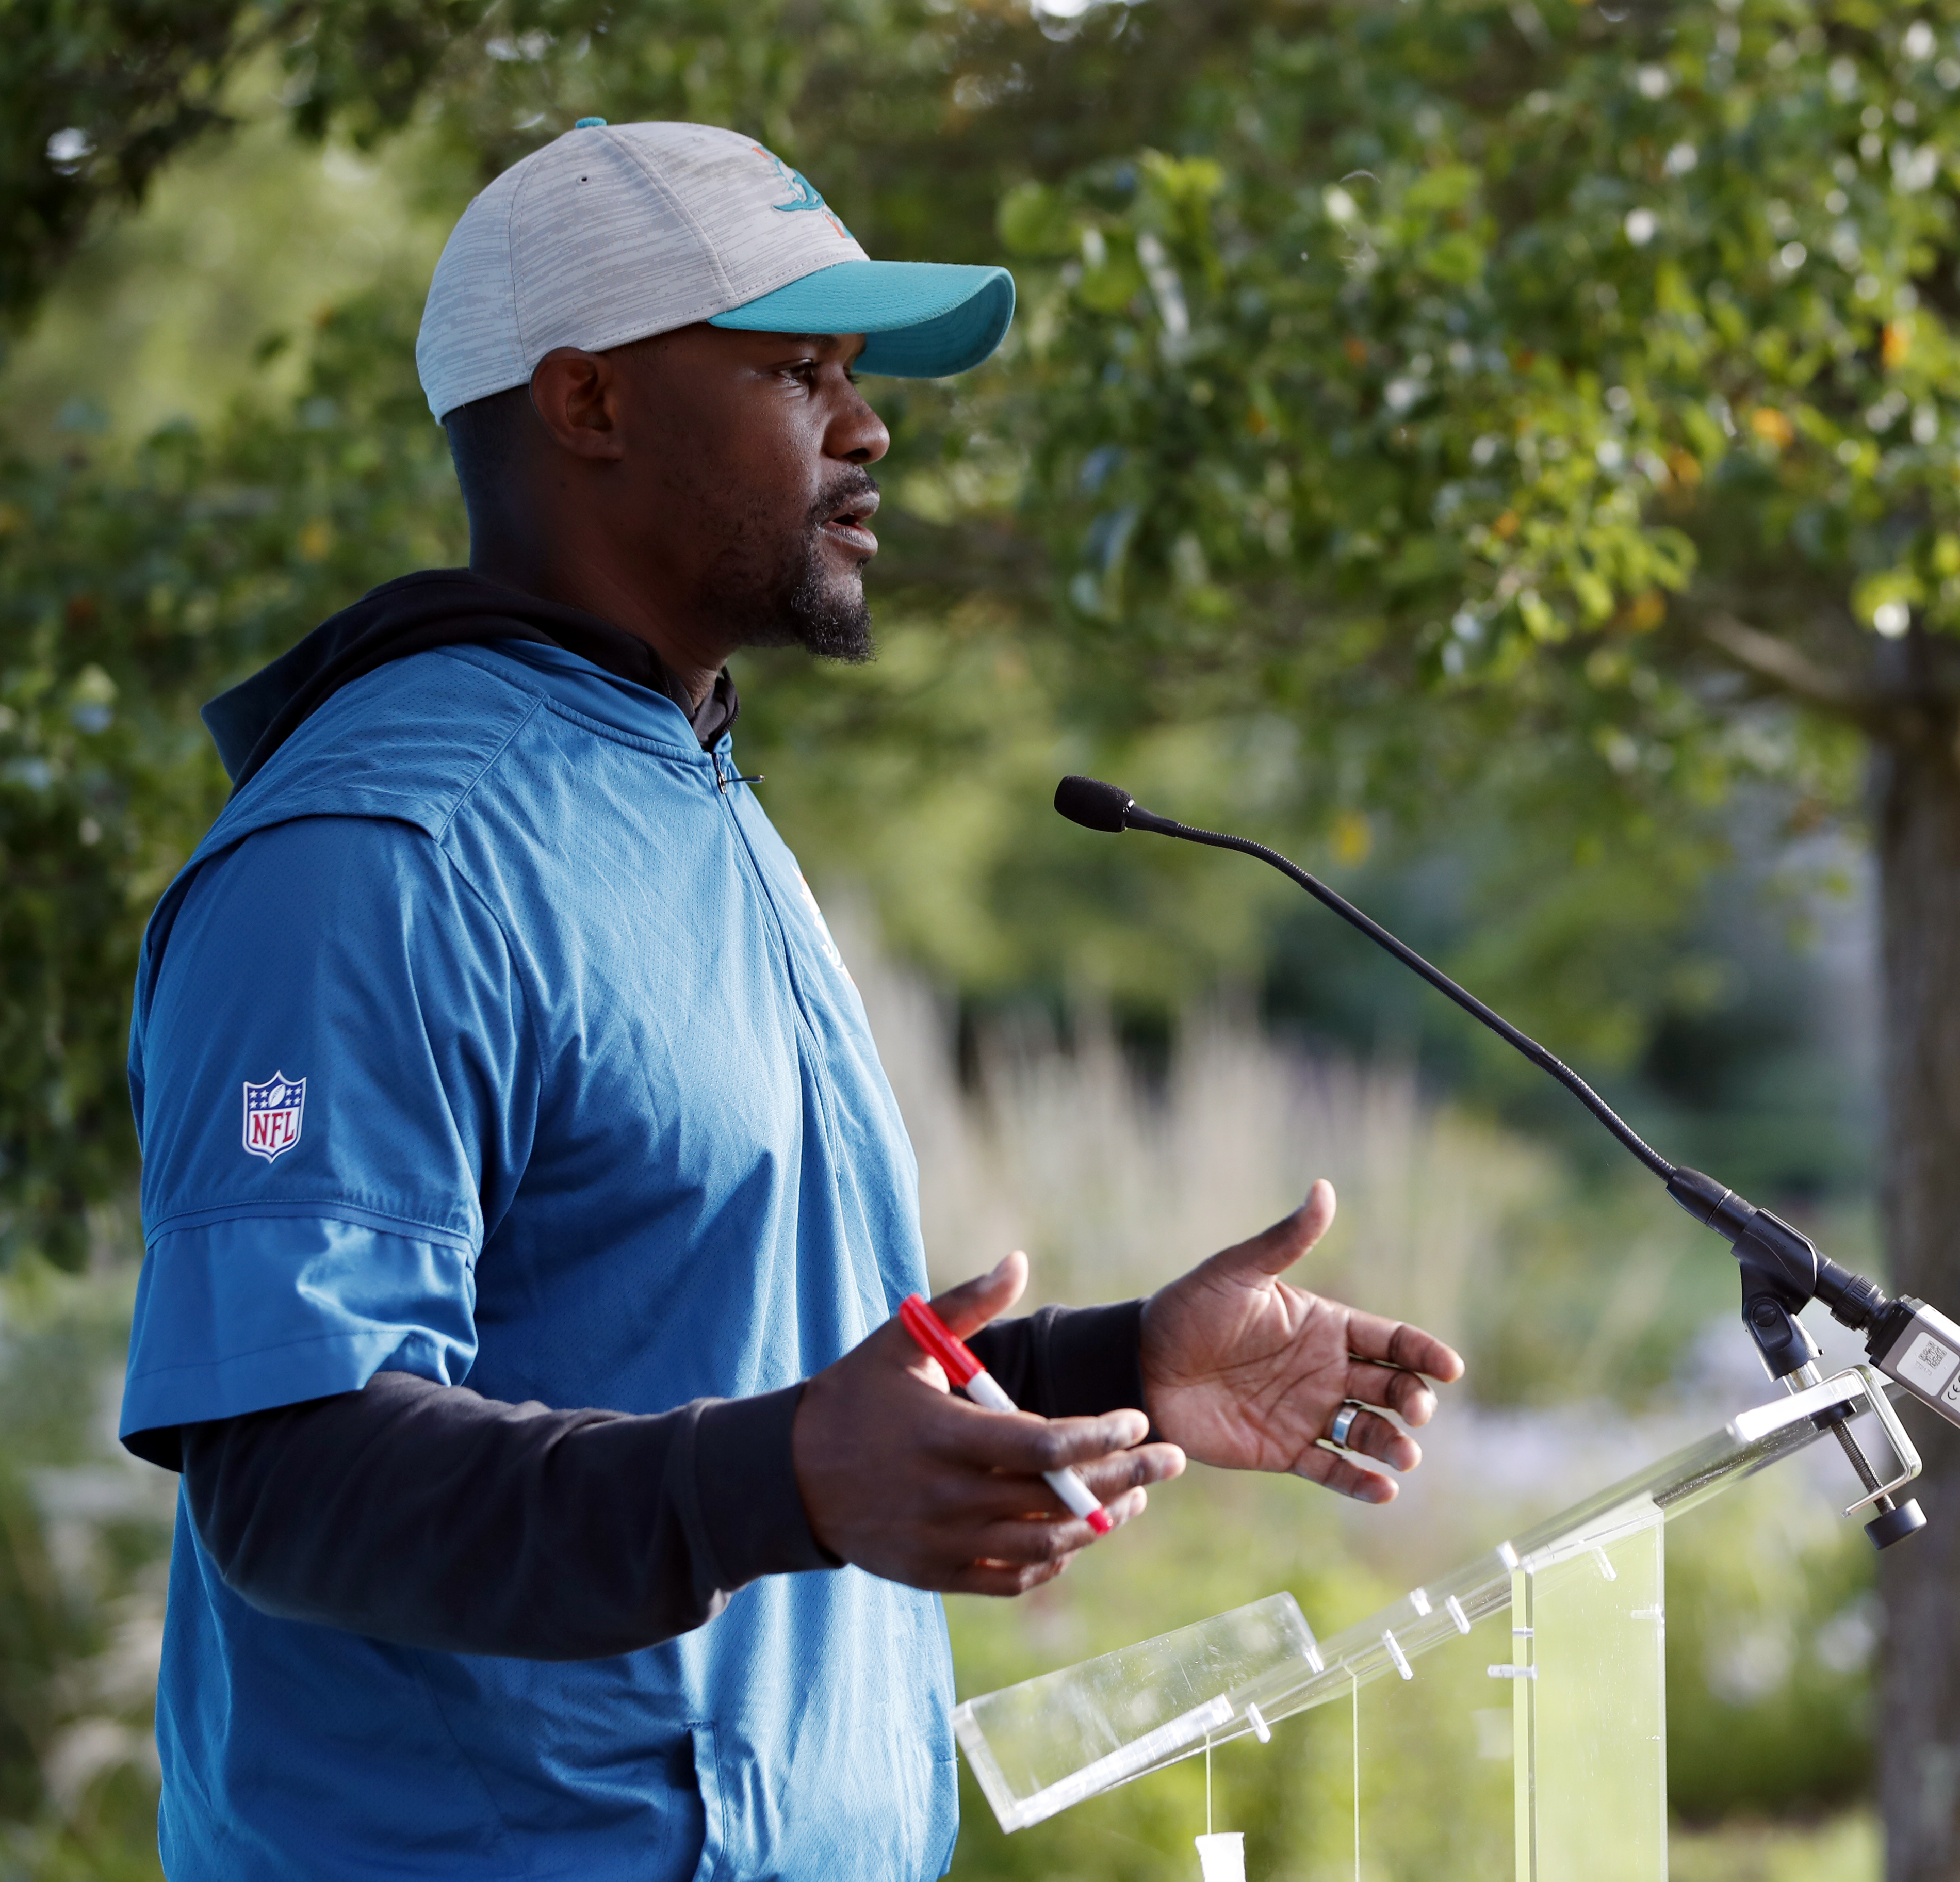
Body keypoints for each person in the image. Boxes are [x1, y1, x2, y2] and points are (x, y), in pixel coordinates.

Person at [118, 118, 1463, 1880]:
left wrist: (1107, 1365)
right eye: (794, 373)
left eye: (855, 374)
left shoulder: (681, 784)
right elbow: (291, 1474)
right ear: (587, 402)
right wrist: (790, 1482)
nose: (868, 425)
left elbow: (709, 1361)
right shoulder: (379, 854)